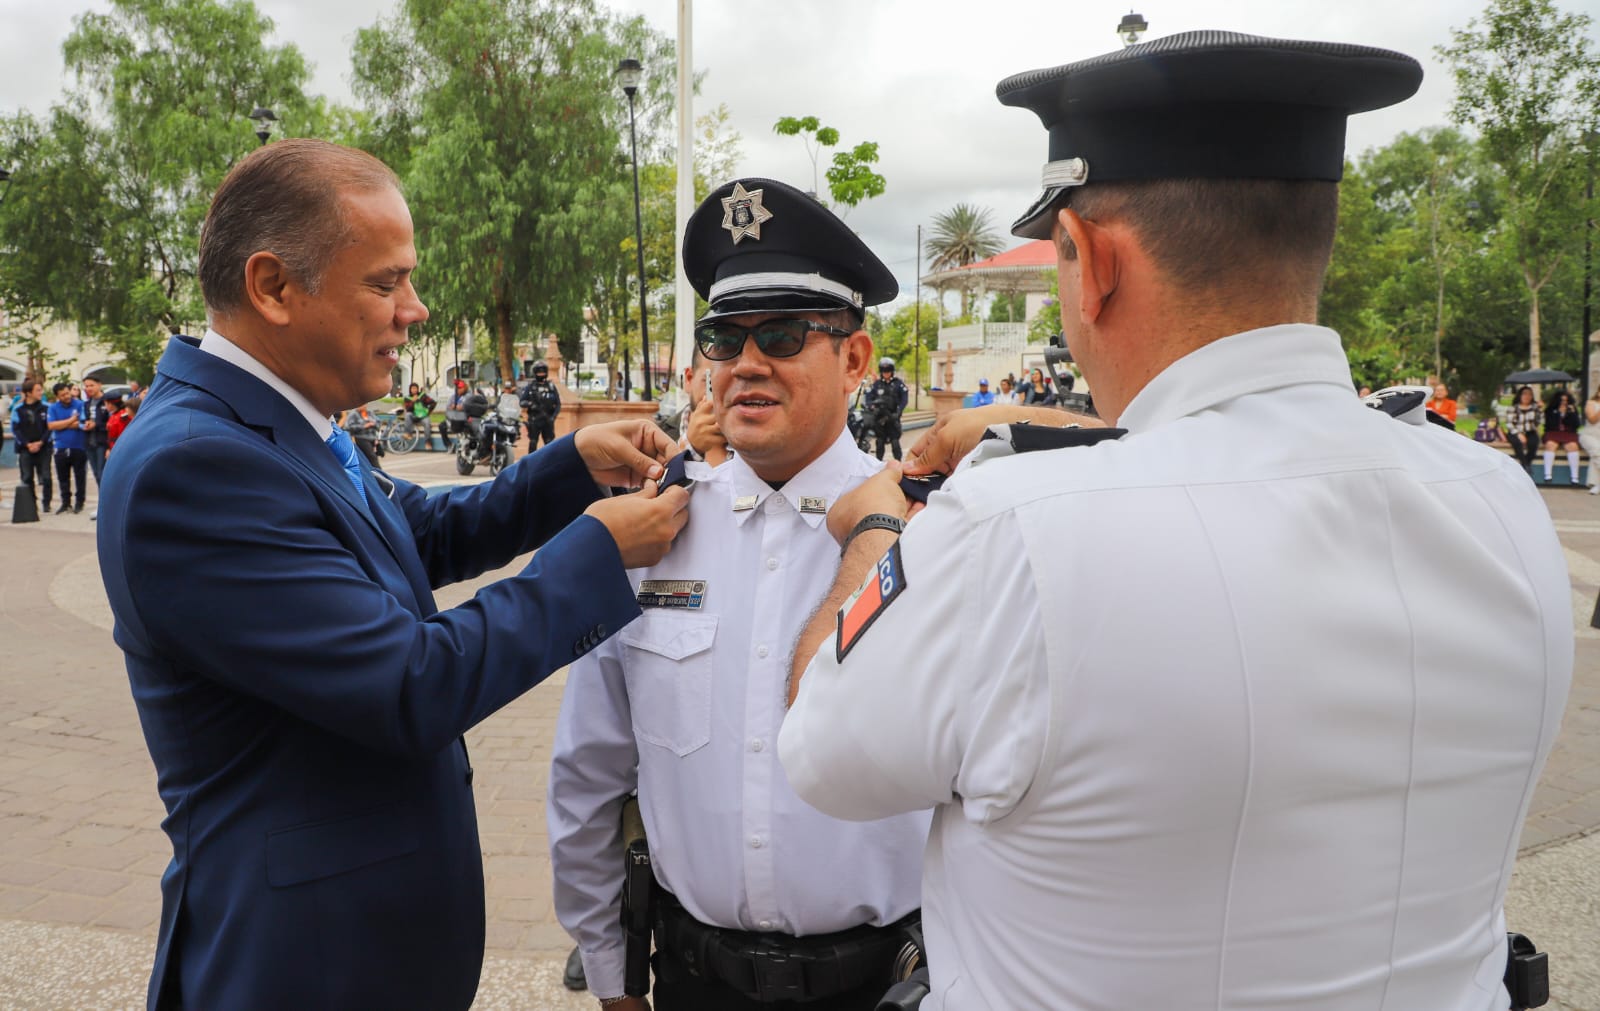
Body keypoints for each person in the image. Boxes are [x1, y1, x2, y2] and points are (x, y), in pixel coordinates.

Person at [779, 32, 1571, 1009]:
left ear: (1092, 259)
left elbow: (822, 754)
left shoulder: (1009, 531)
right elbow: (1215, 468)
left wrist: (874, 531)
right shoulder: (1495, 499)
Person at [95, 138, 690, 1011]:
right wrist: (598, 551)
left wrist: (569, 468)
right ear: (273, 287)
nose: (414, 308)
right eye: (384, 281)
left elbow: (416, 532)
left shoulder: (279, 421)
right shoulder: (194, 465)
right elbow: (411, 683)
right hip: (300, 966)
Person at [549, 177, 929, 1011]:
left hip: (888, 987)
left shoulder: (932, 533)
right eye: (725, 338)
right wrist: (611, 975)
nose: (748, 364)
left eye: (785, 334)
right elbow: (591, 769)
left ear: (854, 358)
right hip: (694, 983)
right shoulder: (651, 536)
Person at [46, 381, 88, 514]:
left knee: (80, 476)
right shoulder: (53, 408)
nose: (67, 396)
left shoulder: (80, 404)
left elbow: (81, 423)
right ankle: (65, 503)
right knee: (63, 477)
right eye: (63, 395)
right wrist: (70, 420)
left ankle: (79, 502)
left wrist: (62, 424)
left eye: (67, 393)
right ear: (58, 396)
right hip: (61, 446)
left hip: (79, 446)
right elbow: (51, 426)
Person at [12, 380, 53, 513]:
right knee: (27, 477)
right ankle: (31, 504)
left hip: (44, 447)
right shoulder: (18, 409)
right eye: (38, 390)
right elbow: (15, 429)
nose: (41, 393)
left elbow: (50, 427)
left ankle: (46, 503)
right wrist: (27, 444)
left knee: (46, 476)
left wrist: (41, 442)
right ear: (29, 393)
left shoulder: (46, 407)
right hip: (26, 448)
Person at [866, 357, 909, 460]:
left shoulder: (898, 384)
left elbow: (904, 399)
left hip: (893, 418)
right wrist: (872, 407)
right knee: (880, 442)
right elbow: (868, 398)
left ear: (892, 371)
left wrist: (898, 412)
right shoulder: (877, 385)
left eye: (888, 371)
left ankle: (898, 464)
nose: (886, 373)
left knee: (895, 443)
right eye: (884, 371)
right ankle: (878, 465)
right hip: (879, 420)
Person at [520, 361, 562, 451]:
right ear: (535, 373)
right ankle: (531, 463)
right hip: (535, 420)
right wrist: (530, 404)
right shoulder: (531, 387)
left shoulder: (551, 387)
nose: (541, 374)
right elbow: (522, 401)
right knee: (533, 442)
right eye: (539, 372)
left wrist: (553, 417)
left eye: (543, 372)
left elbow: (558, 404)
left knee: (549, 443)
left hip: (548, 420)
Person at [1542, 388, 1582, 484]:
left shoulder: (1572, 409)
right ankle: (1548, 475)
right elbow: (1550, 425)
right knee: (1551, 445)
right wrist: (1558, 413)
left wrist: (1571, 413)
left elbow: (1576, 425)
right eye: (1562, 400)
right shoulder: (1550, 410)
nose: (1564, 402)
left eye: (1566, 400)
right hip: (1553, 432)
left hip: (1568, 433)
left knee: (1573, 446)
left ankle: (1574, 477)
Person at [1506, 384, 1541, 473]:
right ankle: (1525, 464)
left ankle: (1526, 463)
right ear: (1520, 395)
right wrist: (1519, 434)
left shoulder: (1535, 408)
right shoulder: (1513, 408)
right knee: (1517, 443)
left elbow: (1539, 422)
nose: (1527, 396)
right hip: (1514, 432)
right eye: (1524, 394)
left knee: (1533, 443)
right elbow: (1509, 424)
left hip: (1530, 432)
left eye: (1529, 394)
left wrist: (1540, 409)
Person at [341, 403, 383, 467]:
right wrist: (363, 426)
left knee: (370, 456)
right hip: (361, 438)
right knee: (372, 456)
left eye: (364, 404)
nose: (362, 406)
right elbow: (348, 427)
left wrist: (373, 424)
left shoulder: (369, 413)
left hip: (372, 437)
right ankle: (378, 471)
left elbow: (378, 422)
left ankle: (372, 472)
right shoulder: (353, 414)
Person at [402, 381, 438, 450]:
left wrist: (429, 411)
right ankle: (408, 433)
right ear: (410, 390)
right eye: (412, 389)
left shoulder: (422, 396)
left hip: (423, 416)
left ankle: (428, 442)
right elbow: (408, 409)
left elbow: (433, 402)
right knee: (408, 415)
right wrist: (412, 401)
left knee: (427, 424)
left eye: (415, 388)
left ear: (417, 389)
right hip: (414, 415)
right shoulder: (407, 398)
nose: (414, 390)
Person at [1581, 390, 1600, 494]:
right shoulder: (1591, 403)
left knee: (1595, 458)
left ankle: (1597, 485)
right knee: (1597, 452)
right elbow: (1592, 420)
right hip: (1589, 435)